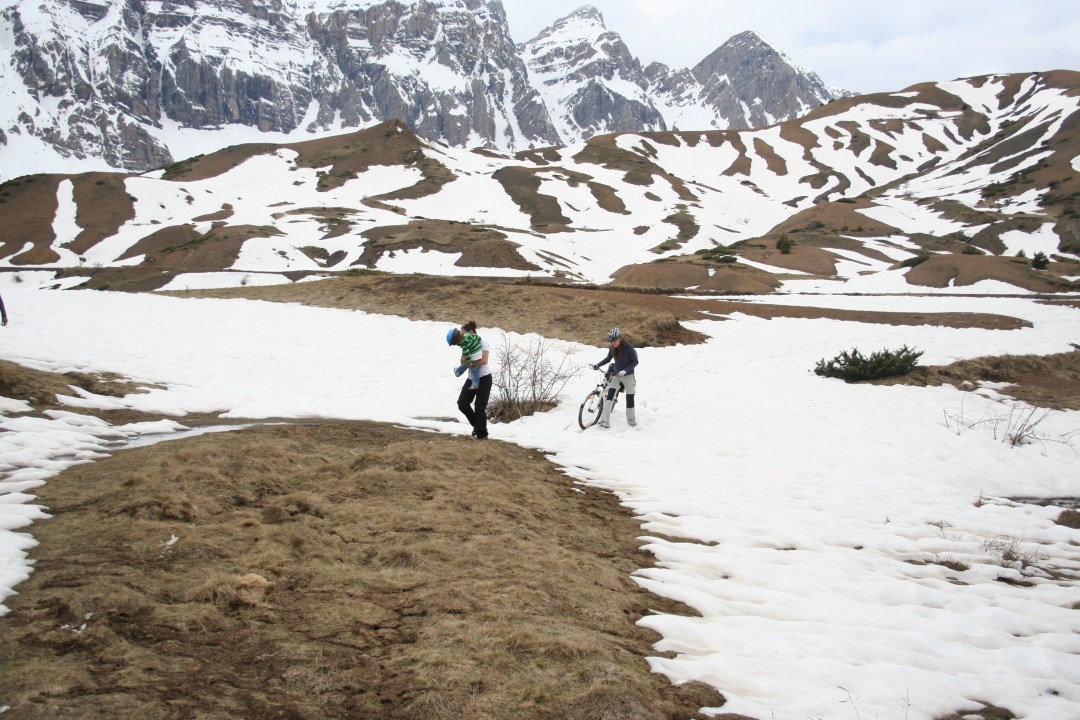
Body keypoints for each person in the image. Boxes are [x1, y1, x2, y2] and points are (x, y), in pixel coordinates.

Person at [447, 320, 492, 439]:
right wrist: (465, 360)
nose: (462, 337)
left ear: (470, 332)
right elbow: (462, 359)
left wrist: (470, 363)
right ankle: (477, 427)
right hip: (472, 378)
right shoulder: (465, 342)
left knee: (479, 407)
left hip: (484, 378)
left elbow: (484, 361)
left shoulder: (483, 342)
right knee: (462, 403)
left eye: (464, 333)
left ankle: (482, 435)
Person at [592, 327, 638, 428]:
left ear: (620, 338)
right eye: (612, 341)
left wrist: (625, 370)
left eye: (615, 341)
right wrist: (598, 365)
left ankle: (631, 422)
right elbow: (608, 358)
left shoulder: (628, 348)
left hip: (629, 376)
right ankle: (604, 421)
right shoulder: (613, 348)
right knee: (609, 397)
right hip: (616, 376)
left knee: (630, 398)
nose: (614, 343)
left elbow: (635, 361)